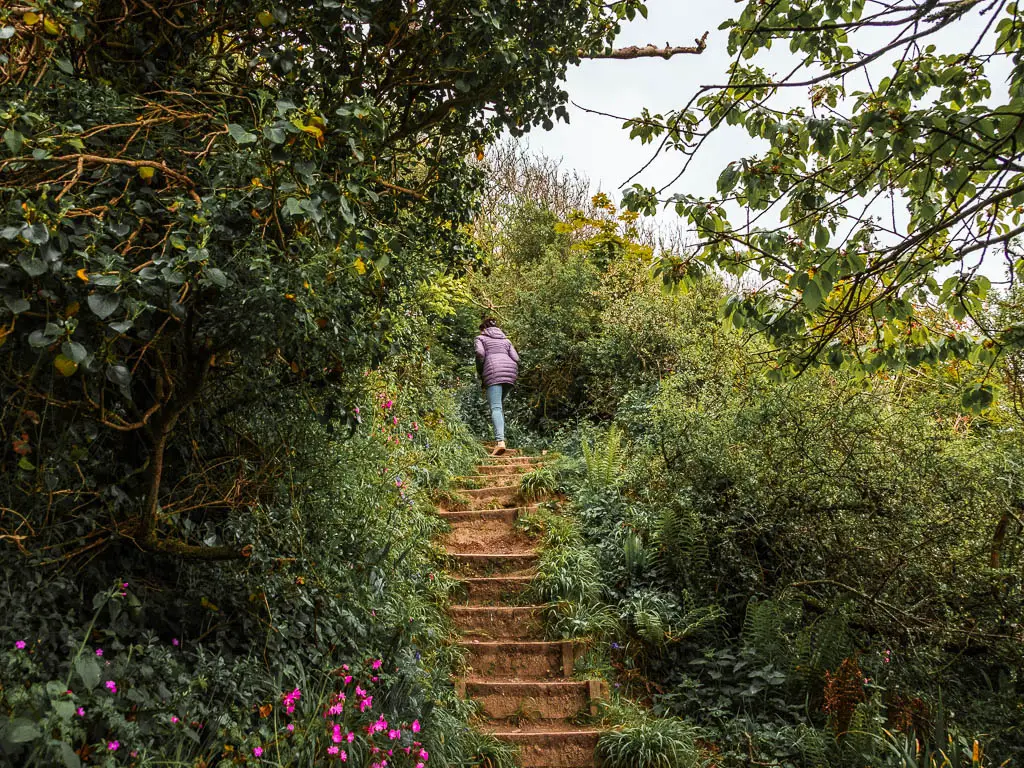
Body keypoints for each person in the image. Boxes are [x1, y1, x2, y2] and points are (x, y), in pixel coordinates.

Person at [474, 317, 519, 455]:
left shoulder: (480, 338)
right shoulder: (506, 340)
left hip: (493, 373)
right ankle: (500, 438)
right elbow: (517, 358)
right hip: (510, 374)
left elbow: (480, 353)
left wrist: (481, 371)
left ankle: (500, 442)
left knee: (496, 408)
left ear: (484, 328)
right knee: (498, 406)